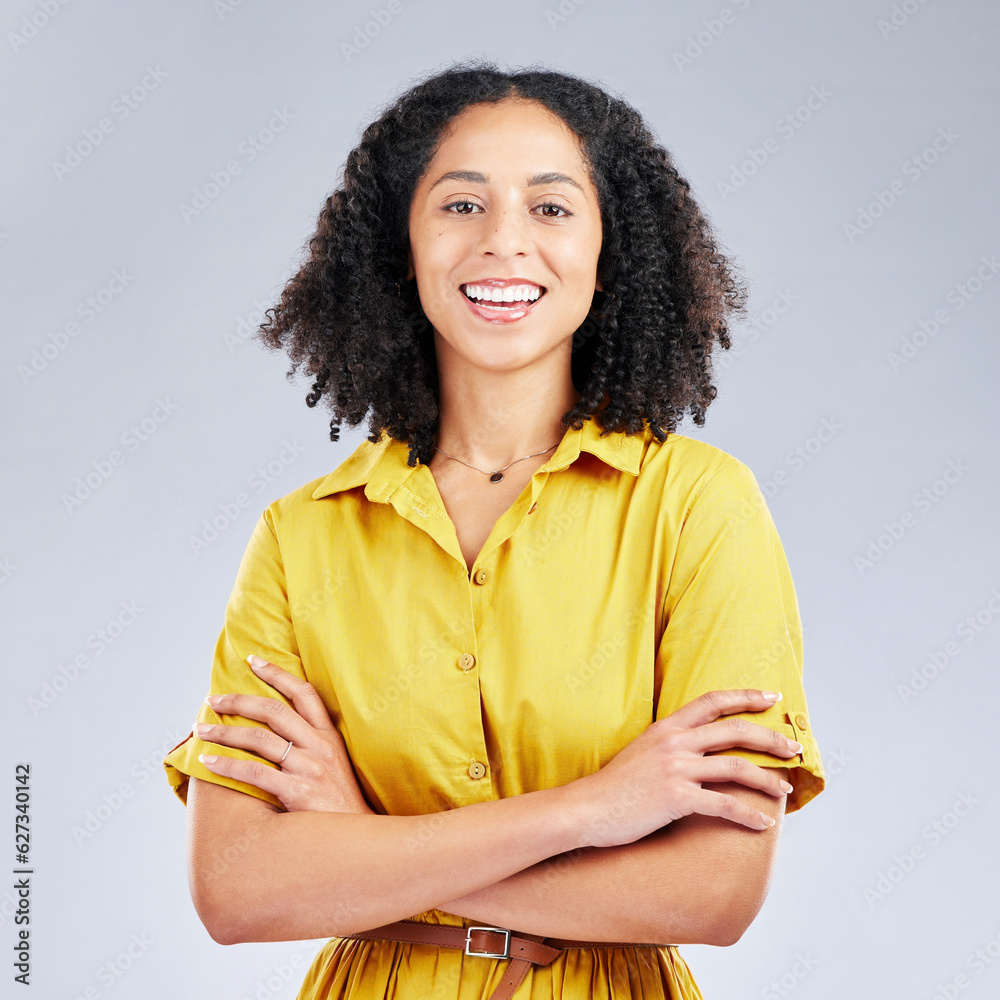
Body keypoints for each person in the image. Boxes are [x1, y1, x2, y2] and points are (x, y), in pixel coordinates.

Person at [162, 60, 825, 1000]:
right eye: (460, 204)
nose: (504, 243)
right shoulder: (300, 535)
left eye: (552, 209)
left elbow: (712, 894)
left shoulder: (698, 506)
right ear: (403, 243)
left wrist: (364, 854)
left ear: (611, 251)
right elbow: (235, 892)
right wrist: (593, 810)